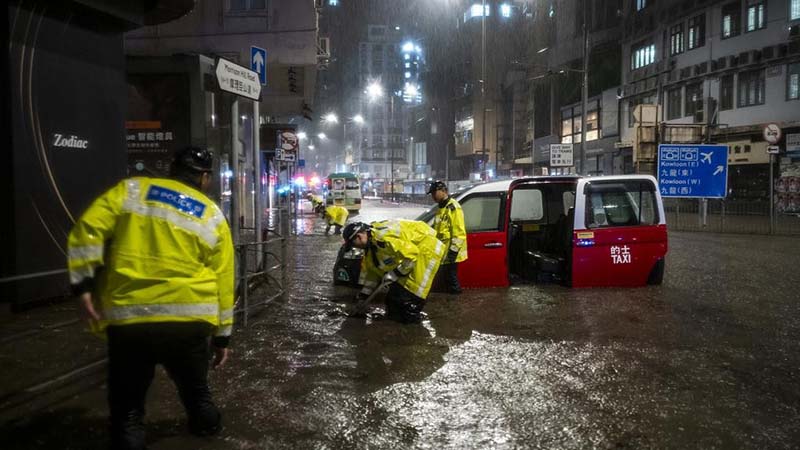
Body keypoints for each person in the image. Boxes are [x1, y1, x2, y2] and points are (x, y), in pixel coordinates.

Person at [67, 147, 234, 450]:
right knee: (198, 395)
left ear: (172, 169)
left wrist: (83, 286)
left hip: (130, 320)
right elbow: (224, 280)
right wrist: (223, 338)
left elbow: (87, 231)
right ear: (205, 178)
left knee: (128, 408)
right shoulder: (211, 214)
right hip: (190, 322)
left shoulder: (131, 191)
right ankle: (210, 434)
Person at [343, 220, 445, 323]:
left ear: (359, 237)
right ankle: (395, 323)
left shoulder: (382, 239)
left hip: (427, 251)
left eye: (354, 245)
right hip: (410, 256)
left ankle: (413, 328)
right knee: (392, 301)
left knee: (410, 298)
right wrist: (363, 297)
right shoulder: (370, 247)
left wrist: (395, 273)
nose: (355, 248)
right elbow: (372, 274)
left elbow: (412, 254)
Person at [427, 180, 468, 294]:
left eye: (434, 193)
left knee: (451, 281)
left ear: (443, 191)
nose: (433, 196)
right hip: (443, 253)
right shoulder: (441, 208)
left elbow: (459, 233)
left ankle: (455, 305)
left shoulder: (453, 207)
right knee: (447, 281)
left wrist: (452, 252)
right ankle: (451, 304)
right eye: (431, 194)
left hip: (450, 253)